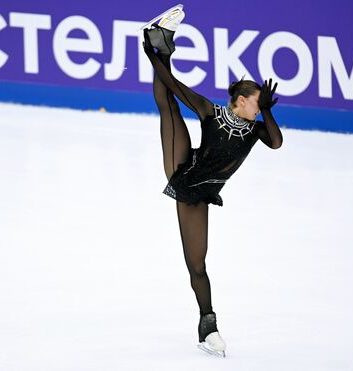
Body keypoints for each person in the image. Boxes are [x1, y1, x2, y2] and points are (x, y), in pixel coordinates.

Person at [141, 4, 283, 357]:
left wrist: (266, 110)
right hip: (184, 173)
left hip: (203, 193)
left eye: (260, 102)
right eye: (255, 101)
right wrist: (152, 57)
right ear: (239, 102)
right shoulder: (211, 112)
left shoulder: (256, 130)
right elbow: (174, 87)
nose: (259, 105)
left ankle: (207, 326)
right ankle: (160, 43)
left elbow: (277, 142)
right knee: (169, 108)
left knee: (197, 264)